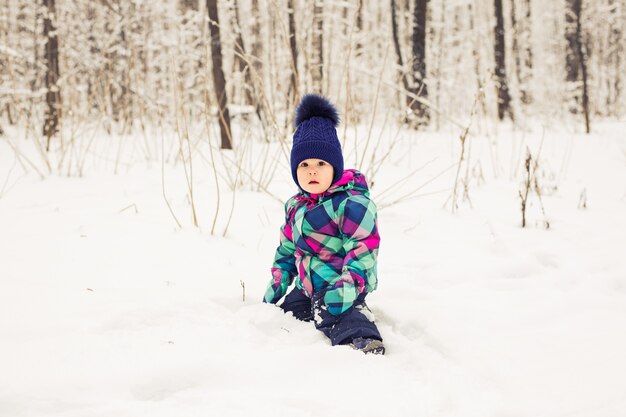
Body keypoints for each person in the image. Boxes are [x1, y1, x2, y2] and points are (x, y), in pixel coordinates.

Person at [262, 94, 384, 355]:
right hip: (307, 287)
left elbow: (363, 249)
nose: (312, 171)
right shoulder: (295, 206)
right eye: (304, 164)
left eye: (320, 164)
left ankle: (362, 339)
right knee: (288, 316)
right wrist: (279, 282)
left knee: (341, 317)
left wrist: (348, 286)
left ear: (335, 167)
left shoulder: (351, 204)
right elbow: (286, 249)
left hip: (342, 286)